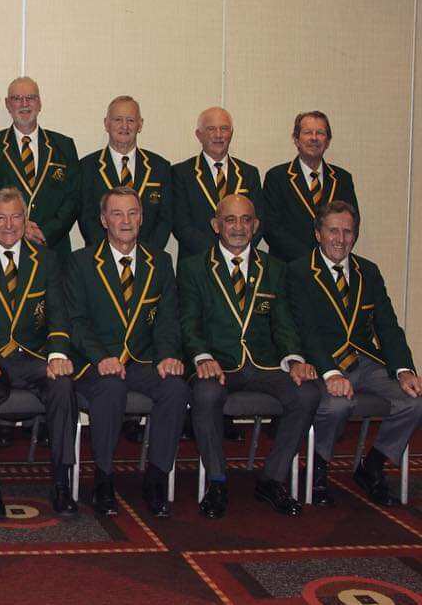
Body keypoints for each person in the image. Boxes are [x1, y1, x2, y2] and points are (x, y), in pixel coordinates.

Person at [178, 194, 320, 518]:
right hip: (217, 363)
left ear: (256, 225)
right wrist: (201, 357)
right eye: (230, 220)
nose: (238, 227)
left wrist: (295, 360)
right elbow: (188, 323)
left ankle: (272, 478)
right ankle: (216, 481)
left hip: (264, 364)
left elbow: (284, 323)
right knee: (206, 393)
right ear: (216, 225)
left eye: (245, 220)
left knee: (307, 393)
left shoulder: (274, 269)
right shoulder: (193, 268)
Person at [64, 186, 187, 517]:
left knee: (176, 387)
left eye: (133, 213)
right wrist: (100, 357)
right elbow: (75, 321)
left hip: (144, 362)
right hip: (96, 364)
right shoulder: (82, 262)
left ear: (142, 218)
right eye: (117, 213)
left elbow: (167, 321)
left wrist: (166, 357)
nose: (126, 220)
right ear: (104, 220)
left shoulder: (160, 263)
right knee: (111, 388)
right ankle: (103, 480)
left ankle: (156, 478)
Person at [288, 201, 421, 507]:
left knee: (414, 401)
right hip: (324, 362)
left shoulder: (368, 272)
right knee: (336, 406)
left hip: (364, 360)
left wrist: (404, 370)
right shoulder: (298, 272)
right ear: (318, 233)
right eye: (333, 230)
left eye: (348, 232)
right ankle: (317, 467)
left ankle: (372, 465)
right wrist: (331, 373)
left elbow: (387, 325)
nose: (340, 238)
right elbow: (305, 331)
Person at [0, 187, 77, 518]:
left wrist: (57, 356)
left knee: (64, 385)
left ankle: (61, 482)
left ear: (26, 219)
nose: (9, 225)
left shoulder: (47, 259)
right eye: (1, 217)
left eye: (16, 216)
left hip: (34, 358)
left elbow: (58, 314)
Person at [0, 77, 81, 258]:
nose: (24, 104)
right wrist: (20, 228)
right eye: (17, 99)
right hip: (3, 248)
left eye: (31, 98)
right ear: (7, 104)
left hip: (53, 248)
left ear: (40, 103)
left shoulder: (64, 146)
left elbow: (73, 198)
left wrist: (46, 233)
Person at [78, 95, 173, 250]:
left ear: (140, 125)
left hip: (147, 260)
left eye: (130, 120)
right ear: (106, 124)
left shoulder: (160, 167)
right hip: (100, 260)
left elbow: (165, 219)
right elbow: (86, 218)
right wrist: (110, 254)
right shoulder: (87, 167)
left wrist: (144, 255)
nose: (124, 126)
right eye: (117, 120)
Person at [263, 111, 358, 262]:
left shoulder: (342, 179)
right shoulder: (277, 177)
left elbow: (353, 223)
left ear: (327, 141)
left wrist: (328, 258)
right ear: (296, 139)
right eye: (307, 132)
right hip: (289, 268)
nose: (314, 138)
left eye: (320, 133)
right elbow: (271, 228)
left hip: (331, 269)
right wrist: (312, 260)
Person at [171, 107, 262, 259]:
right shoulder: (181, 173)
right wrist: (220, 254)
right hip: (197, 264)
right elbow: (181, 225)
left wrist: (236, 251)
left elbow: (259, 222)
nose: (218, 135)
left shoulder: (249, 173)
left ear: (231, 134)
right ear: (199, 135)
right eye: (211, 129)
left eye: (224, 129)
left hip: (241, 261)